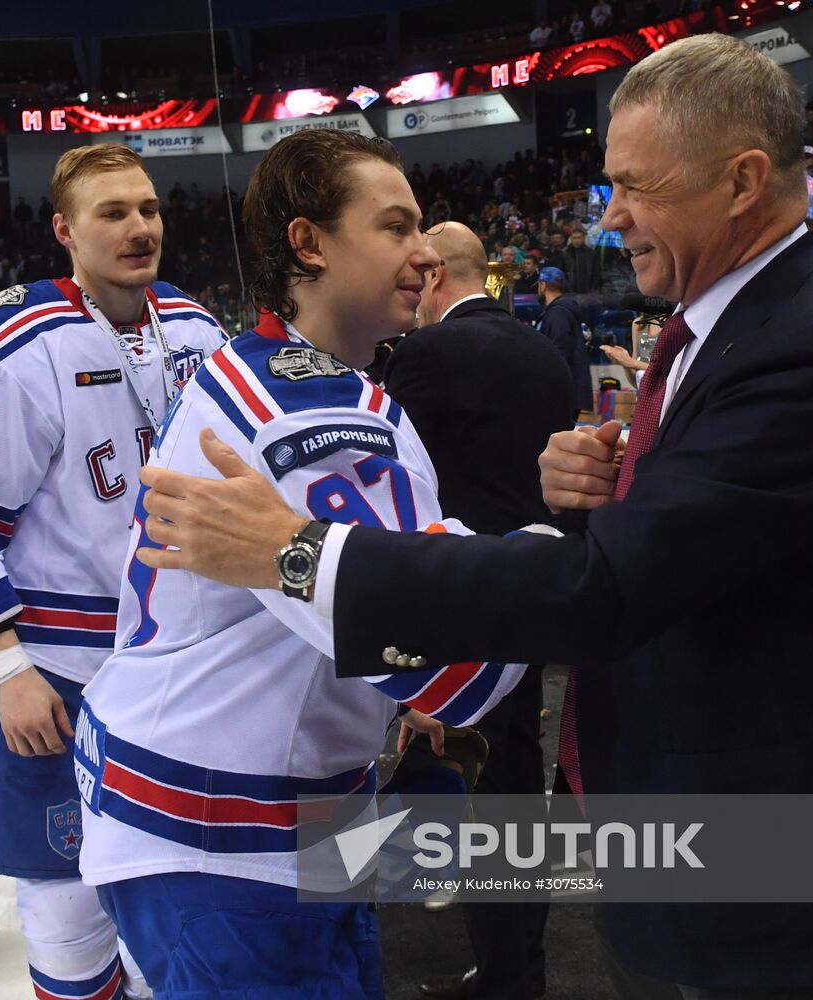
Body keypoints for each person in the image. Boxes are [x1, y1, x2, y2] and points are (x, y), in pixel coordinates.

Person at [129, 35, 813, 996]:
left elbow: (605, 591)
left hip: (771, 865)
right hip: (248, 826)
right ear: (311, 244)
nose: (612, 215)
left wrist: (300, 556)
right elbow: (675, 554)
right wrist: (594, 496)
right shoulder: (712, 329)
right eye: (395, 227)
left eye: (634, 185)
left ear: (741, 181)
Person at [77, 129, 524, 998]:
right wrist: (544, 553)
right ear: (308, 243)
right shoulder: (307, 409)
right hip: (228, 843)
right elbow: (453, 670)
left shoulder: (283, 373)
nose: (425, 253)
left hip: (245, 815)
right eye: (395, 228)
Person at [0, 144, 226, 1000]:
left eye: (148, 209)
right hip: (62, 679)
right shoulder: (13, 341)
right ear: (64, 231)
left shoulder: (196, 328)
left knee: (176, 906)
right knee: (65, 911)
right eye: (112, 213)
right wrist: (6, 669)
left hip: (180, 675)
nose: (138, 228)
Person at [389, 222, 573, 1000]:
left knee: (463, 794)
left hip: (461, 607)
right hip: (537, 591)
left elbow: (391, 480)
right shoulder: (542, 348)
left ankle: (500, 975)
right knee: (514, 787)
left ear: (433, 278)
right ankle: (515, 965)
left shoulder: (425, 356)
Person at [536, 266, 592, 417]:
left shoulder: (557, 314)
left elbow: (558, 354)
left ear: (543, 285)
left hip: (560, 394)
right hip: (566, 392)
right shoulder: (563, 311)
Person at [560, 227, 602, 294]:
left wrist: (593, 288)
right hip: (569, 290)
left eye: (579, 237)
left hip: (587, 289)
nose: (576, 240)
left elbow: (596, 272)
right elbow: (561, 272)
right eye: (574, 238)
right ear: (571, 239)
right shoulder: (564, 253)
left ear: (584, 238)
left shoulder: (591, 253)